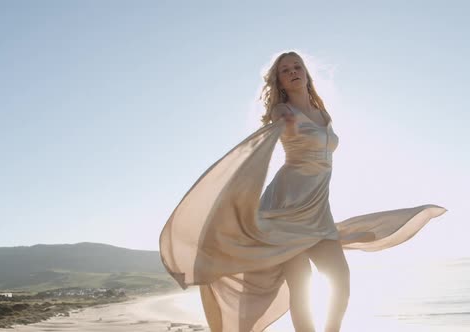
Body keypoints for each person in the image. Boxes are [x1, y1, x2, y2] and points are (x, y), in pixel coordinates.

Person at [159, 51, 447, 332]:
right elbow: (278, 118)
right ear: (280, 82)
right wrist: (283, 119)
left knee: (340, 281)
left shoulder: (323, 113)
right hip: (285, 209)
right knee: (302, 284)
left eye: (297, 67)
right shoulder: (282, 110)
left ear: (306, 74)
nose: (293, 72)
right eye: (285, 70)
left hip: (319, 211)